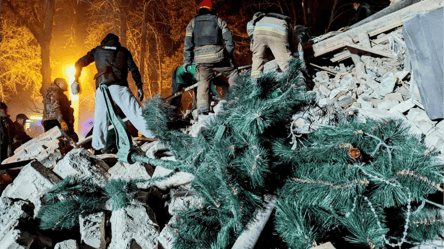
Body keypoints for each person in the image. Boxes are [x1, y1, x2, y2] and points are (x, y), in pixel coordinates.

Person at [74, 33, 155, 154]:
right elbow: (134, 69)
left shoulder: (97, 50)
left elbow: (79, 62)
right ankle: (152, 134)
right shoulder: (123, 51)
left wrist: (76, 79)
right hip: (120, 87)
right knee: (135, 113)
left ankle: (97, 147)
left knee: (100, 119)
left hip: (102, 89)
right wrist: (139, 86)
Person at [183, 0, 238, 116]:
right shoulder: (218, 21)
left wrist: (187, 61)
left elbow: (188, 44)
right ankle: (235, 99)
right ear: (211, 9)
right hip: (218, 56)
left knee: (203, 81)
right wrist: (227, 54)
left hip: (201, 59)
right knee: (232, 72)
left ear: (200, 10)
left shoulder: (192, 23)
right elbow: (229, 40)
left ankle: (203, 109)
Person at [247, 12, 296, 78]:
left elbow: (249, 25)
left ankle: (254, 81)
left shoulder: (260, 18)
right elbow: (294, 44)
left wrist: (253, 39)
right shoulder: (287, 23)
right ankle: (293, 79)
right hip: (278, 32)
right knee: (284, 61)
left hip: (259, 32)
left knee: (257, 59)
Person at [42, 78, 79, 142]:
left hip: (54, 121)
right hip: (55, 122)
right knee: (63, 141)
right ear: (59, 84)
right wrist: (61, 121)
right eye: (64, 83)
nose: (67, 85)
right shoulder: (55, 93)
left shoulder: (56, 93)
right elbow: (56, 107)